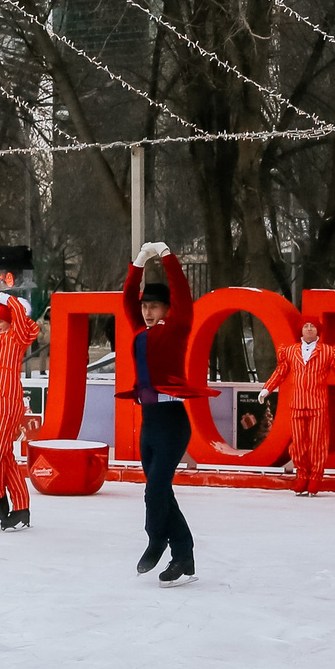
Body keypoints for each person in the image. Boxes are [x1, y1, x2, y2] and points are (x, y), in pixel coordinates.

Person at [121, 242, 207, 586]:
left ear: (167, 309)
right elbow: (127, 300)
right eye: (145, 306)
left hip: (172, 423)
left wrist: (168, 256)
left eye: (154, 306)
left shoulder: (177, 327)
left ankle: (157, 538)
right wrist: (138, 264)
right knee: (161, 492)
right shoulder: (141, 334)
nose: (147, 311)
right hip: (149, 422)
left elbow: (183, 294)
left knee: (155, 492)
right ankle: (183, 554)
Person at [263, 318, 335, 497]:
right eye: (306, 326)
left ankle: (316, 476)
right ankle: (302, 474)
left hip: (318, 403)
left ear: (318, 331)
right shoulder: (290, 351)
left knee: (318, 442)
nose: (309, 329)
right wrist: (267, 388)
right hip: (297, 403)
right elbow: (281, 371)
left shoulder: (327, 351)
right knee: (298, 442)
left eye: (312, 326)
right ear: (301, 330)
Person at [0, 294, 39, 531]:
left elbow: (20, 319)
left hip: (10, 400)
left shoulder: (17, 338)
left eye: (2, 320)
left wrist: (8, 299)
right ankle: (22, 508)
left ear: (11, 321)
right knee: (6, 457)